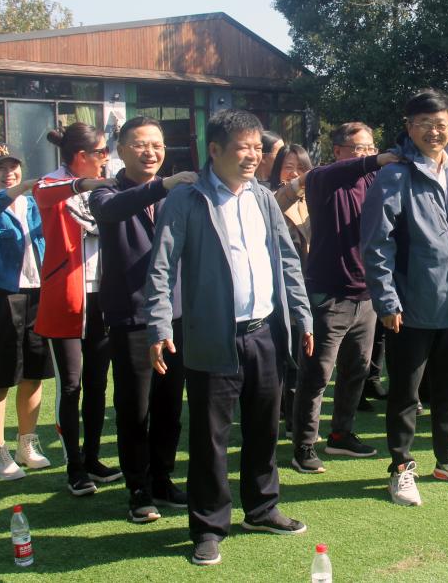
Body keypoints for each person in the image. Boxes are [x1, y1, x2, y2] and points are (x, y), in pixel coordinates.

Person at [143, 109, 314, 566]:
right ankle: (208, 526)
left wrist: (302, 314)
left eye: (258, 147)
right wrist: (159, 325)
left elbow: (287, 259)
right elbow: (160, 268)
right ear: (215, 150)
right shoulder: (187, 199)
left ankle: (262, 508)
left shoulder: (262, 197)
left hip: (265, 332)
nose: (253, 156)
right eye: (243, 148)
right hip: (212, 336)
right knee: (210, 437)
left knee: (264, 427)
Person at [361, 89, 448, 507]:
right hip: (410, 305)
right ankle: (401, 466)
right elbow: (377, 243)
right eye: (423, 124)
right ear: (409, 127)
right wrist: (387, 300)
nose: (433, 132)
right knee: (405, 394)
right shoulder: (395, 175)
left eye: (440, 124)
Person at [89, 117, 197, 522]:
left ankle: (162, 478)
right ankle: (138, 489)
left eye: (157, 144)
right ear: (120, 149)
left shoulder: (178, 195)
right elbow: (114, 210)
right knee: (134, 407)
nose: (150, 152)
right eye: (140, 144)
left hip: (175, 314)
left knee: (169, 405)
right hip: (131, 317)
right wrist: (163, 186)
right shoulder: (105, 192)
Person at [290, 123, 400, 474]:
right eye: (358, 148)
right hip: (329, 296)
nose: (366, 154)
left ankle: (340, 435)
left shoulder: (373, 181)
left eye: (370, 148)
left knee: (356, 371)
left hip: (366, 296)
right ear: (337, 150)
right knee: (316, 376)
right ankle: (304, 445)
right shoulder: (321, 178)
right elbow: (349, 169)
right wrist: (379, 159)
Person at [33, 123, 120, 496]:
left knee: (98, 383)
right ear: (82, 156)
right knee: (71, 385)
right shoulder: (51, 184)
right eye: (101, 152)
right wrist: (89, 184)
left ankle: (92, 458)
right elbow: (46, 193)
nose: (106, 158)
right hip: (66, 302)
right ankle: (74, 466)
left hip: (103, 297)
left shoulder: (107, 187)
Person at [0, 144, 52, 480]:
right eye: (0, 168)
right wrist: (22, 187)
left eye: (13, 167)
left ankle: (26, 445)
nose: (8, 173)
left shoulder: (34, 206)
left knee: (34, 375)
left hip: (37, 297)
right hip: (1, 299)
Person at [270, 143, 313, 442]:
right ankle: (282, 416)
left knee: (303, 356)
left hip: (310, 288)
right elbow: (281, 200)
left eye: (301, 168)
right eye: (288, 167)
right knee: (285, 358)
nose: (295, 173)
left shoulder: (313, 201)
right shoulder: (269, 197)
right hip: (282, 292)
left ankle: (293, 418)